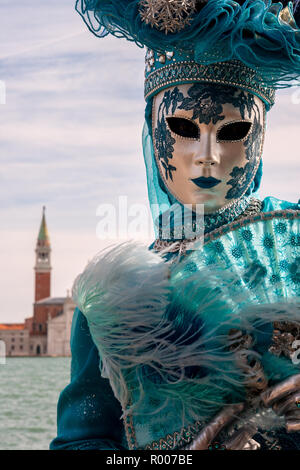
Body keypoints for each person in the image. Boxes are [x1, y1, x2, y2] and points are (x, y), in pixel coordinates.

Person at [50, 0, 300, 450]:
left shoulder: (291, 242)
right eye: (183, 127)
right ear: (152, 130)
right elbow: (84, 442)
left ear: (261, 139)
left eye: (233, 131)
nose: (207, 154)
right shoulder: (113, 300)